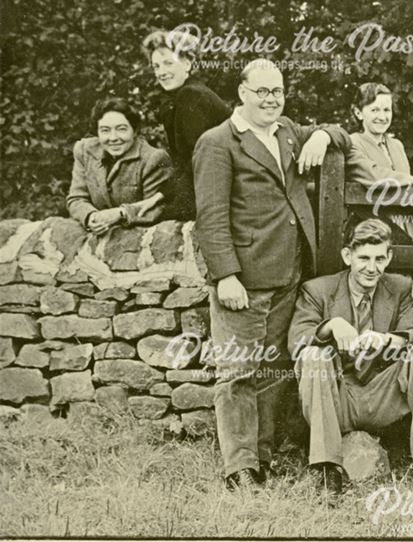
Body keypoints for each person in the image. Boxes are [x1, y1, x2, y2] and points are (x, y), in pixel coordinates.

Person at [193, 58, 352, 489]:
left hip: (288, 276)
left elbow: (343, 133)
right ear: (241, 93)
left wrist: (320, 134)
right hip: (243, 279)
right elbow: (209, 216)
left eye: (277, 91)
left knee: (273, 373)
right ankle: (239, 467)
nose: (270, 99)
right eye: (261, 91)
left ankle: (261, 457)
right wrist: (225, 275)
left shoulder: (286, 131)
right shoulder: (217, 142)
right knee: (238, 374)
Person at [287, 219, 413, 499]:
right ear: (347, 256)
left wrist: (387, 339)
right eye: (363, 258)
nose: (371, 267)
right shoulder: (318, 290)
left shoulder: (399, 287)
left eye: (379, 258)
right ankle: (327, 469)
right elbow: (297, 342)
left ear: (389, 257)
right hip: (338, 397)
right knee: (313, 355)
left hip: (383, 393)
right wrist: (331, 326)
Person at [141, 29, 229, 221]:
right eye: (156, 66)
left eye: (168, 63)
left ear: (187, 63)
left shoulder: (191, 96)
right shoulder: (184, 97)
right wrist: (159, 196)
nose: (161, 72)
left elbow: (199, 162)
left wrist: (166, 205)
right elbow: (186, 163)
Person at [66, 97, 173, 233]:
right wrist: (90, 217)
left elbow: (155, 209)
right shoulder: (84, 150)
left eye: (121, 129)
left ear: (134, 131)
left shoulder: (153, 158)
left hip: (137, 238)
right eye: (105, 130)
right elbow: (76, 198)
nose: (113, 138)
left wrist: (121, 214)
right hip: (95, 236)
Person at [346, 82, 413, 242]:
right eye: (374, 110)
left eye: (387, 110)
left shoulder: (397, 145)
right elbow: (373, 176)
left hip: (407, 228)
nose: (382, 116)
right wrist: (411, 180)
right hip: (371, 230)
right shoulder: (353, 143)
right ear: (358, 113)